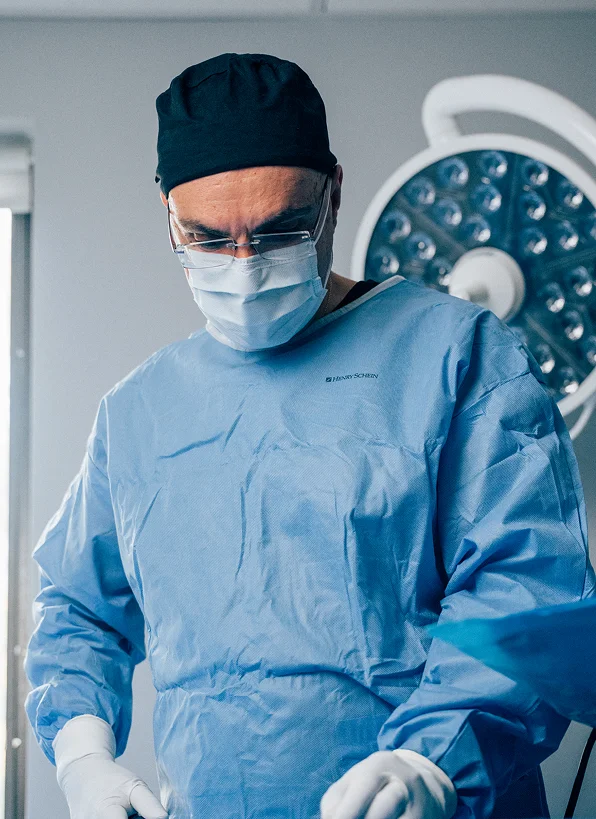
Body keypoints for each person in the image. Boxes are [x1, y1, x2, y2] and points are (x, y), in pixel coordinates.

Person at [24, 52, 595, 819]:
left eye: (277, 230)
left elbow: (523, 589)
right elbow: (79, 605)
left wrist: (427, 760)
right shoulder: (139, 412)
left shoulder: (458, 358)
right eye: (207, 237)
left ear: (332, 197)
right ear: (166, 211)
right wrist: (84, 757)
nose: (244, 265)